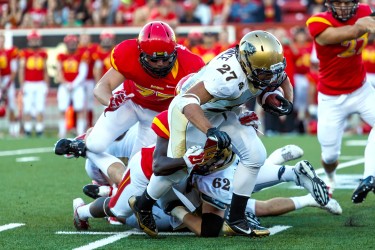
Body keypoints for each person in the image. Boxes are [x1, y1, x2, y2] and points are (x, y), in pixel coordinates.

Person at [129, 31, 307, 238]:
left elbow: (281, 78)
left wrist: (279, 98)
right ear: (247, 65)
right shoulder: (225, 78)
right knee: (181, 168)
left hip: (222, 110)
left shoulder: (261, 66)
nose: (270, 77)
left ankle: (237, 218)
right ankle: (143, 204)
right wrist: (209, 130)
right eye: (264, 74)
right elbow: (188, 102)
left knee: (255, 154)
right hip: (190, 112)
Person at [71, 110, 339, 236]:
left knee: (239, 186)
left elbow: (209, 226)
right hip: (156, 172)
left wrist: (178, 207)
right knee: (120, 210)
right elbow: (157, 166)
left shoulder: (223, 126)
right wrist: (185, 163)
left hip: (185, 188)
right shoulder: (173, 121)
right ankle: (83, 209)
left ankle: (285, 170)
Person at [54, 21, 205, 188]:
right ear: (141, 53)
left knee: (137, 174)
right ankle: (88, 144)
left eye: (165, 58)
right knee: (96, 144)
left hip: (157, 116)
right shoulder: (128, 53)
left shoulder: (191, 66)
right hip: (130, 102)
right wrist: (111, 101)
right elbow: (101, 88)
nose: (160, 64)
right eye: (154, 59)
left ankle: (87, 154)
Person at [306, 0, 375, 203]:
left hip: (361, 90)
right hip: (331, 98)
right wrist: (362, 25)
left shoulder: (363, 12)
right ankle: (330, 178)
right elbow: (337, 36)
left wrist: (368, 24)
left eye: (348, 2)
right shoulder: (317, 21)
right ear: (329, 4)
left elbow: (367, 31)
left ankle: (369, 176)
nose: (344, 6)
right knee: (329, 156)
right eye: (339, 2)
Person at [56, 34, 89, 138]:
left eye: (73, 43)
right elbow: (59, 71)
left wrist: (73, 84)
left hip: (77, 86)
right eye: (69, 43)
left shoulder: (81, 55)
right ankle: (62, 132)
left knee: (79, 108)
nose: (71, 45)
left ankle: (80, 132)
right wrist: (66, 83)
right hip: (64, 86)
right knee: (62, 108)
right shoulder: (61, 56)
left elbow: (83, 72)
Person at [18, 30, 49, 137]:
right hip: (29, 83)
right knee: (27, 108)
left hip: (40, 83)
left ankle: (39, 130)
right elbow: (21, 69)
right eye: (32, 39)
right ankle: (27, 130)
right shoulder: (24, 53)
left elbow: (45, 70)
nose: (34, 41)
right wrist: (22, 85)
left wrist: (46, 84)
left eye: (36, 39)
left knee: (40, 107)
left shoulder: (43, 53)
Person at [0, 32, 19, 137]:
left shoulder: (9, 52)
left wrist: (7, 84)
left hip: (7, 79)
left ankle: (13, 129)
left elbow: (14, 70)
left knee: (12, 105)